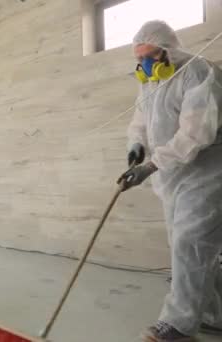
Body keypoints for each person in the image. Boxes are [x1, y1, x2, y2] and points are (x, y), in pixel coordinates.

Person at [117, 20, 222, 341]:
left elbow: (197, 133)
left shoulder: (197, 72)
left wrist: (151, 166)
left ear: (169, 51)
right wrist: (136, 144)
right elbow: (140, 119)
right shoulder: (151, 82)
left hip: (207, 172)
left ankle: (178, 324)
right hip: (173, 178)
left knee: (190, 244)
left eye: (150, 57)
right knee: (190, 247)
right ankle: (213, 315)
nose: (145, 65)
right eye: (140, 59)